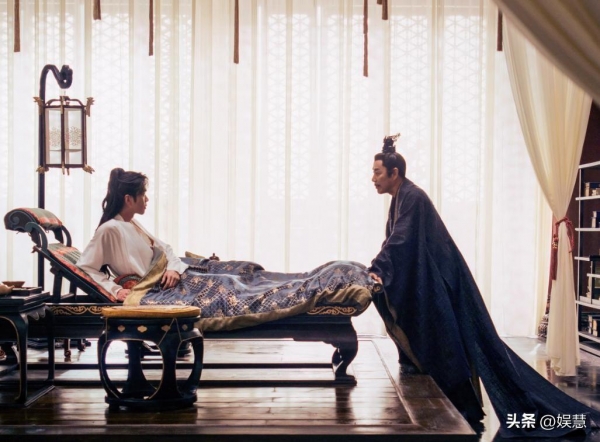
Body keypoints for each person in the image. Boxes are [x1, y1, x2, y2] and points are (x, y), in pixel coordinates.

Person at [368, 134, 600, 438]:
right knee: (451, 343)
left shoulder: (413, 196)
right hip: (435, 281)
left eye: (377, 172)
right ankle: (463, 407)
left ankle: (476, 409)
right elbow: (395, 240)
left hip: (445, 282)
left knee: (463, 344)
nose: (373, 178)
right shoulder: (400, 197)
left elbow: (400, 239)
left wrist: (378, 268)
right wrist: (378, 267)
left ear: (394, 173)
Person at [77, 168, 188, 301]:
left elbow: (166, 248)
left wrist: (173, 269)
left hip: (168, 280)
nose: (147, 199)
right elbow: (85, 267)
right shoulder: (110, 229)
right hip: (156, 290)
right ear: (129, 199)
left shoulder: (131, 222)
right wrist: (115, 290)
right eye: (143, 194)